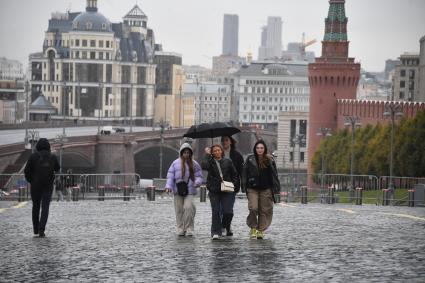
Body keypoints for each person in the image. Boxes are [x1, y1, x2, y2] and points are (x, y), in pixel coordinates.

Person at [242, 140, 280, 240]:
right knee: (253, 208)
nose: (259, 150)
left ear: (265, 149)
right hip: (252, 188)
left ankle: (260, 230)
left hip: (266, 189)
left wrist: (276, 188)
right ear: (255, 149)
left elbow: (274, 175)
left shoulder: (270, 159)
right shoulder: (250, 159)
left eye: (261, 148)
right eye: (258, 148)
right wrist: (244, 185)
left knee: (264, 210)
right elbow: (244, 173)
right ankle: (253, 227)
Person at [165, 143, 203, 237]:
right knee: (179, 210)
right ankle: (180, 228)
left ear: (190, 153)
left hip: (190, 189)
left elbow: (199, 176)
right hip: (178, 189)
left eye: (188, 152)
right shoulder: (175, 163)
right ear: (181, 153)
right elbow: (170, 176)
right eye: (184, 152)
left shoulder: (194, 164)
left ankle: (189, 228)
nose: (186, 154)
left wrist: (197, 182)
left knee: (188, 207)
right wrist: (168, 186)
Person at [24, 138, 60, 238]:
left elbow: (26, 171)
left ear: (38, 146)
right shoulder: (52, 157)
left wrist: (31, 180)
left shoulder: (33, 156)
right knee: (45, 207)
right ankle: (41, 230)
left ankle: (35, 229)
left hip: (35, 185)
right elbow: (57, 168)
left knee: (35, 206)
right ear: (48, 146)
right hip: (48, 186)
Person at [202, 144, 239, 240]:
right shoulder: (210, 162)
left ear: (222, 151)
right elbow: (204, 166)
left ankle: (224, 225)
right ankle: (215, 232)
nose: (217, 152)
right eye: (215, 151)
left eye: (219, 150)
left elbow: (234, 174)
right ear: (212, 153)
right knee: (216, 211)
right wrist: (207, 154)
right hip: (214, 190)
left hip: (226, 189)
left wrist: (233, 184)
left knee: (228, 212)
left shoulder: (228, 161)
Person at [220, 136, 244, 234]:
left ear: (231, 142)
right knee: (221, 208)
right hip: (219, 185)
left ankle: (227, 226)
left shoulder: (237, 155)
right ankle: (224, 227)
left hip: (231, 185)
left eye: (226, 140)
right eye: (223, 140)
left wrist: (242, 184)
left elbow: (241, 171)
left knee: (228, 209)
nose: (224, 142)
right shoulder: (218, 152)